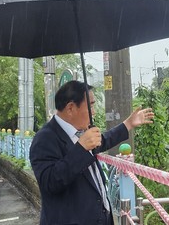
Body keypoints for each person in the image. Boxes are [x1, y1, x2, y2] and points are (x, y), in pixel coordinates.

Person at [29, 80, 154, 225]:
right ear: (70, 108)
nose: (93, 112)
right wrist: (81, 149)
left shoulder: (79, 132)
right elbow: (50, 182)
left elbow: (103, 140)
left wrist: (128, 124)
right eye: (91, 105)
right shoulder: (45, 139)